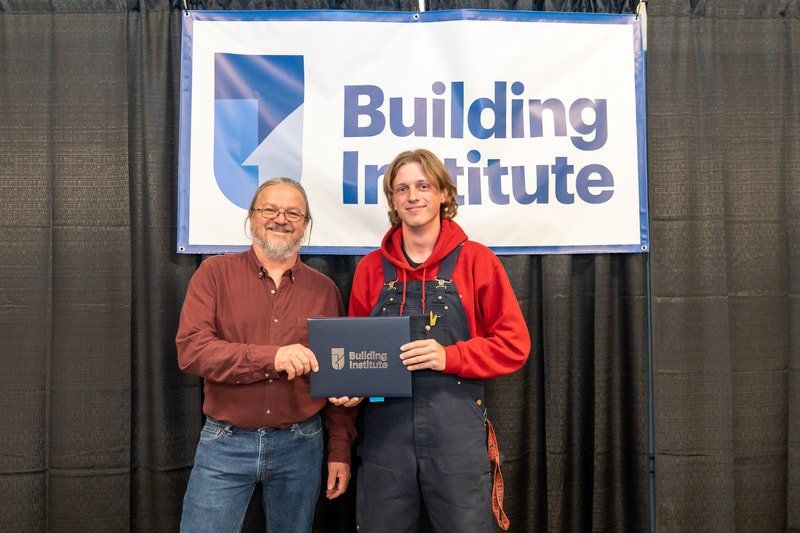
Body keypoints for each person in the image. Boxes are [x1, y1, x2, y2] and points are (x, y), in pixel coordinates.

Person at [347, 149, 531, 532]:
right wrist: (351, 385)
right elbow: (354, 351)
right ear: (393, 201)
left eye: (422, 186)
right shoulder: (370, 269)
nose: (412, 196)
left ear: (444, 194)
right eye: (401, 189)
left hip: (456, 437)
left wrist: (449, 356)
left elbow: (515, 344)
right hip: (385, 439)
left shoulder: (477, 261)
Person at [176, 178, 359, 533]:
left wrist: (339, 450)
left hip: (301, 446)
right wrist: (271, 358)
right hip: (224, 443)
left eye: (293, 212)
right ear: (251, 217)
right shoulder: (213, 275)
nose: (281, 219)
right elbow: (193, 350)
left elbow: (338, 376)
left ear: (305, 225)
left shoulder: (324, 291)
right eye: (269, 210)